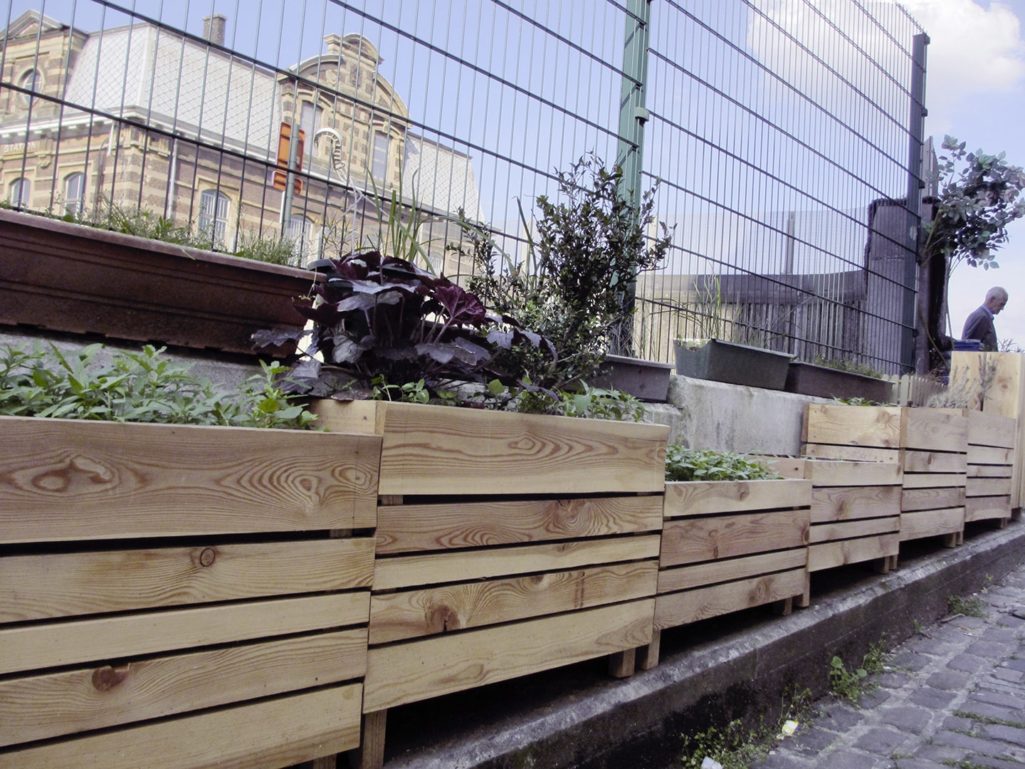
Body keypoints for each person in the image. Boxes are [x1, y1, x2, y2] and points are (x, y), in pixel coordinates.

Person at [962, 287, 1008, 352]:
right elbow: (971, 347)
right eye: (1001, 304)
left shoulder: (983, 316)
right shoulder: (982, 317)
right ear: (992, 299)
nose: (1002, 308)